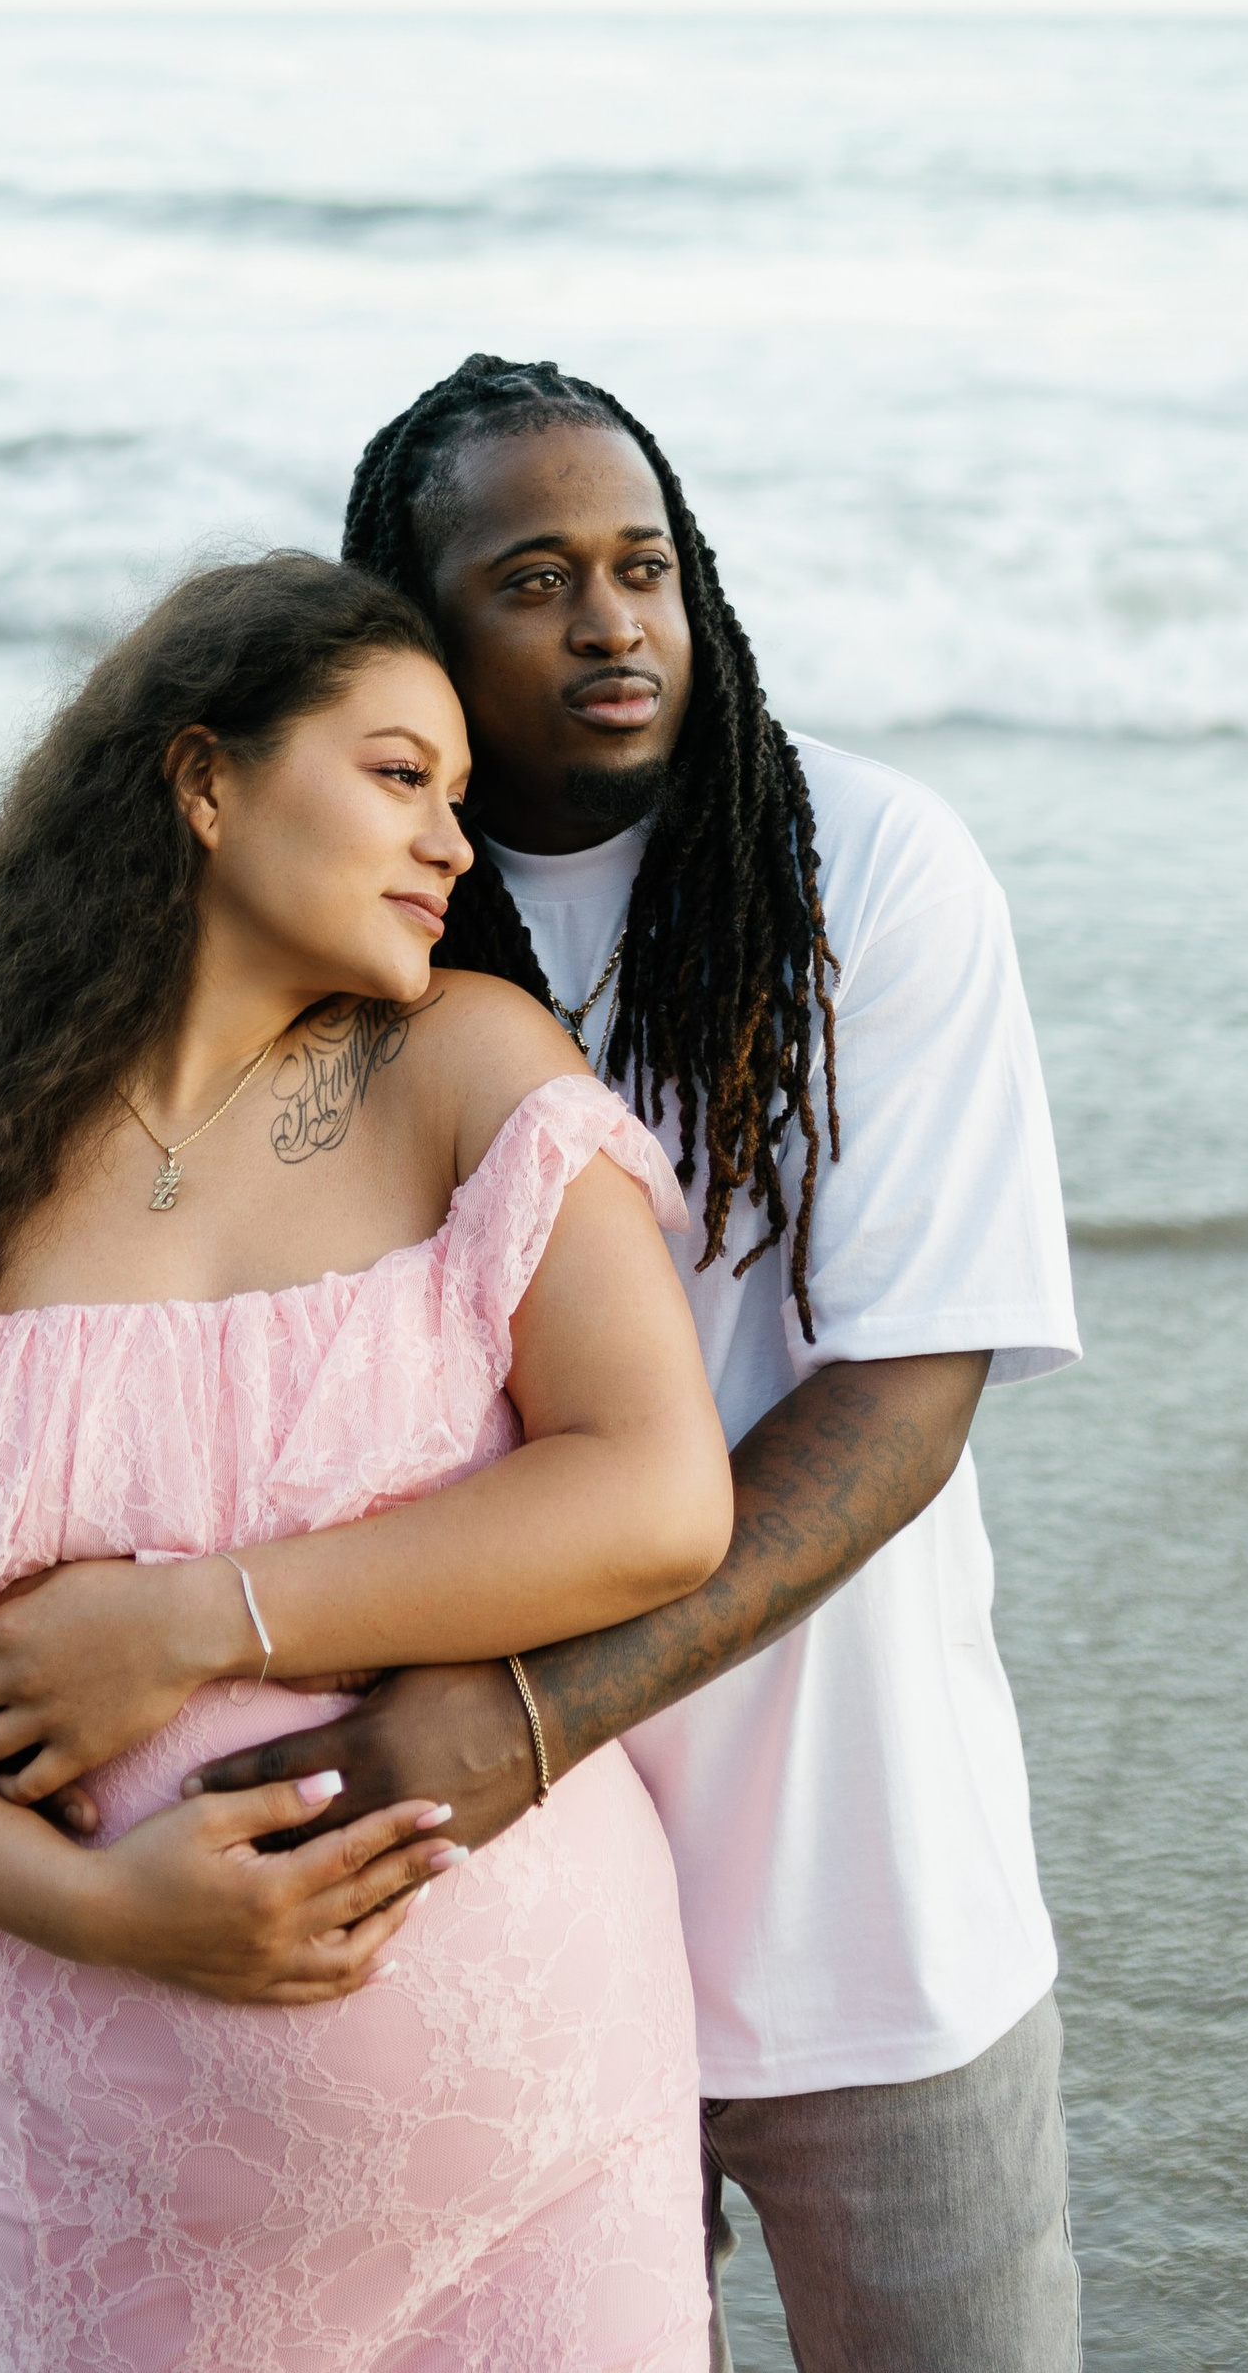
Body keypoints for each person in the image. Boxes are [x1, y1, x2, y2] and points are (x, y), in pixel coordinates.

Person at [0, 551, 737, 2371]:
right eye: (400, 777)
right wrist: (95, 1906)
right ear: (206, 780)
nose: (454, 845)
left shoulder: (466, 1070)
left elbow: (654, 1494)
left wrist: (189, 1625)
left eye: (461, 800)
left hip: (547, 2135)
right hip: (106, 2166)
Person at [183, 358, 1089, 2371]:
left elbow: (898, 1400)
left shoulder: (865, 867)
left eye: (643, 566)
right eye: (531, 580)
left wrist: (521, 1718)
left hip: (866, 1903)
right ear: (411, 629)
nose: (610, 623)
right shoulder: (347, 914)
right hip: (483, 1937)